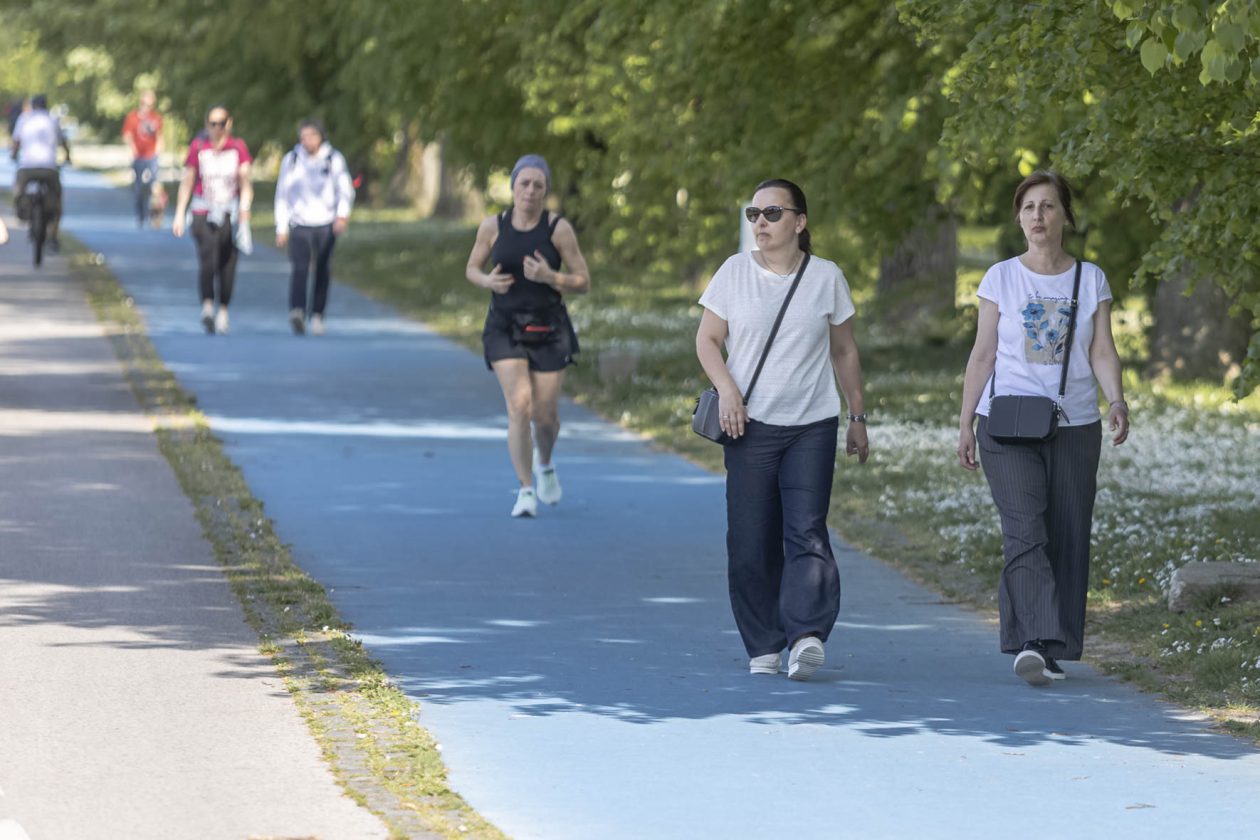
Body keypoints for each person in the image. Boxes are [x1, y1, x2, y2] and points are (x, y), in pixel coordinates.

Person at [957, 170, 1129, 687]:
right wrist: (965, 422)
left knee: (1068, 534)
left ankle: (1052, 644)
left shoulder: (1089, 278)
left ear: (1065, 216)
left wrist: (1116, 400)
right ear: (1018, 217)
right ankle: (1031, 641)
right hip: (1006, 423)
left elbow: (1101, 348)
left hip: (1075, 422)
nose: (1038, 216)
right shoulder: (1000, 277)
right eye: (1029, 207)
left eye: (1048, 206)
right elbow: (983, 352)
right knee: (1025, 529)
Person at [695, 178, 869, 681]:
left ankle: (806, 634)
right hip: (748, 425)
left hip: (811, 424)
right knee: (750, 540)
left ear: (800, 221)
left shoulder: (826, 277)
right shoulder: (732, 272)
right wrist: (727, 390)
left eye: (772, 214)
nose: (761, 224)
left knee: (807, 531)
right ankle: (764, 641)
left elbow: (844, 350)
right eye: (754, 214)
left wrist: (856, 416)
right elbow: (707, 340)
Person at [464, 154, 591, 518]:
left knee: (545, 415)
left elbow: (583, 281)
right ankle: (525, 489)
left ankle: (545, 462)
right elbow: (472, 268)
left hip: (549, 328)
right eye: (525, 183)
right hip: (504, 326)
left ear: (545, 190)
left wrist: (551, 277)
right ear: (513, 186)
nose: (531, 191)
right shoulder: (492, 226)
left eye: (538, 185)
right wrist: (487, 280)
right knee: (519, 405)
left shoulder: (558, 229)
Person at [172, 105, 253, 335]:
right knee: (208, 259)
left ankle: (223, 310)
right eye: (212, 123)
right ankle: (207, 307)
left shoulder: (237, 148)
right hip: (202, 211)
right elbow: (188, 180)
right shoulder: (199, 147)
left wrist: (245, 207)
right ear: (207, 125)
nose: (216, 128)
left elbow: (246, 182)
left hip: (230, 212)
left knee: (227, 264)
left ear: (229, 124)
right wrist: (179, 212)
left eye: (221, 123)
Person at [275, 118, 354, 336]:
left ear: (321, 137)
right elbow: (282, 194)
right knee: (299, 268)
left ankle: (317, 314)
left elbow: (344, 190)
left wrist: (342, 215)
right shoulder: (291, 160)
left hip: (326, 223)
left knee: (323, 269)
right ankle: (297, 311)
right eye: (303, 137)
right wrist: (281, 226)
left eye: (312, 136)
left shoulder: (333, 159)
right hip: (300, 223)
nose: (307, 141)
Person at [10, 94, 71, 251]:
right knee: (57, 200)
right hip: (49, 167)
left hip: (27, 167)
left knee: (18, 186)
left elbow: (16, 143)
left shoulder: (24, 119)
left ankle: (19, 207)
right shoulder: (52, 120)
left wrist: (14, 155)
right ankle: (53, 237)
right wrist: (68, 156)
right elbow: (63, 142)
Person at [122, 90, 164, 228]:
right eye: (146, 103)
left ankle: (156, 214)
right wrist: (133, 148)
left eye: (151, 104)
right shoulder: (132, 117)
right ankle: (141, 215)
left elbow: (159, 136)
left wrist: (157, 152)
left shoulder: (156, 118)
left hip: (152, 156)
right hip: (138, 156)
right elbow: (127, 135)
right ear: (141, 102)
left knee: (155, 186)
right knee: (138, 188)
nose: (148, 107)